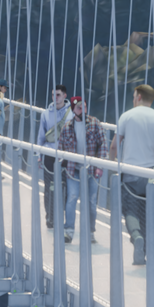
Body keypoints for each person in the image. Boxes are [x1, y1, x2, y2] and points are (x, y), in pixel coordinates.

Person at [113, 84, 154, 242]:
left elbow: (114, 146)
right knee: (149, 212)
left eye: (133, 96)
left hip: (130, 173)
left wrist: (111, 163)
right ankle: (145, 251)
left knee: (130, 209)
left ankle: (136, 236)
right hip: (152, 174)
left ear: (138, 97)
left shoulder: (127, 116)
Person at [52, 94, 98, 245]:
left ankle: (90, 232)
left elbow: (103, 145)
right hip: (73, 169)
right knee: (72, 197)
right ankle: (69, 231)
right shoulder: (67, 127)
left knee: (91, 201)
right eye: (79, 107)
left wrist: (100, 166)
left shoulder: (95, 124)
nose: (83, 109)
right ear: (73, 109)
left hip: (91, 169)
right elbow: (60, 148)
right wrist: (60, 165)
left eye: (84, 106)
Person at [39, 84, 73, 229]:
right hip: (49, 155)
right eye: (53, 94)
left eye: (58, 94)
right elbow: (41, 135)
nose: (55, 97)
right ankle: (50, 217)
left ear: (65, 96)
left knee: (64, 187)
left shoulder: (72, 114)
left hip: (65, 156)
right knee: (49, 187)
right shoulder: (45, 114)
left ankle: (59, 214)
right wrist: (39, 154)